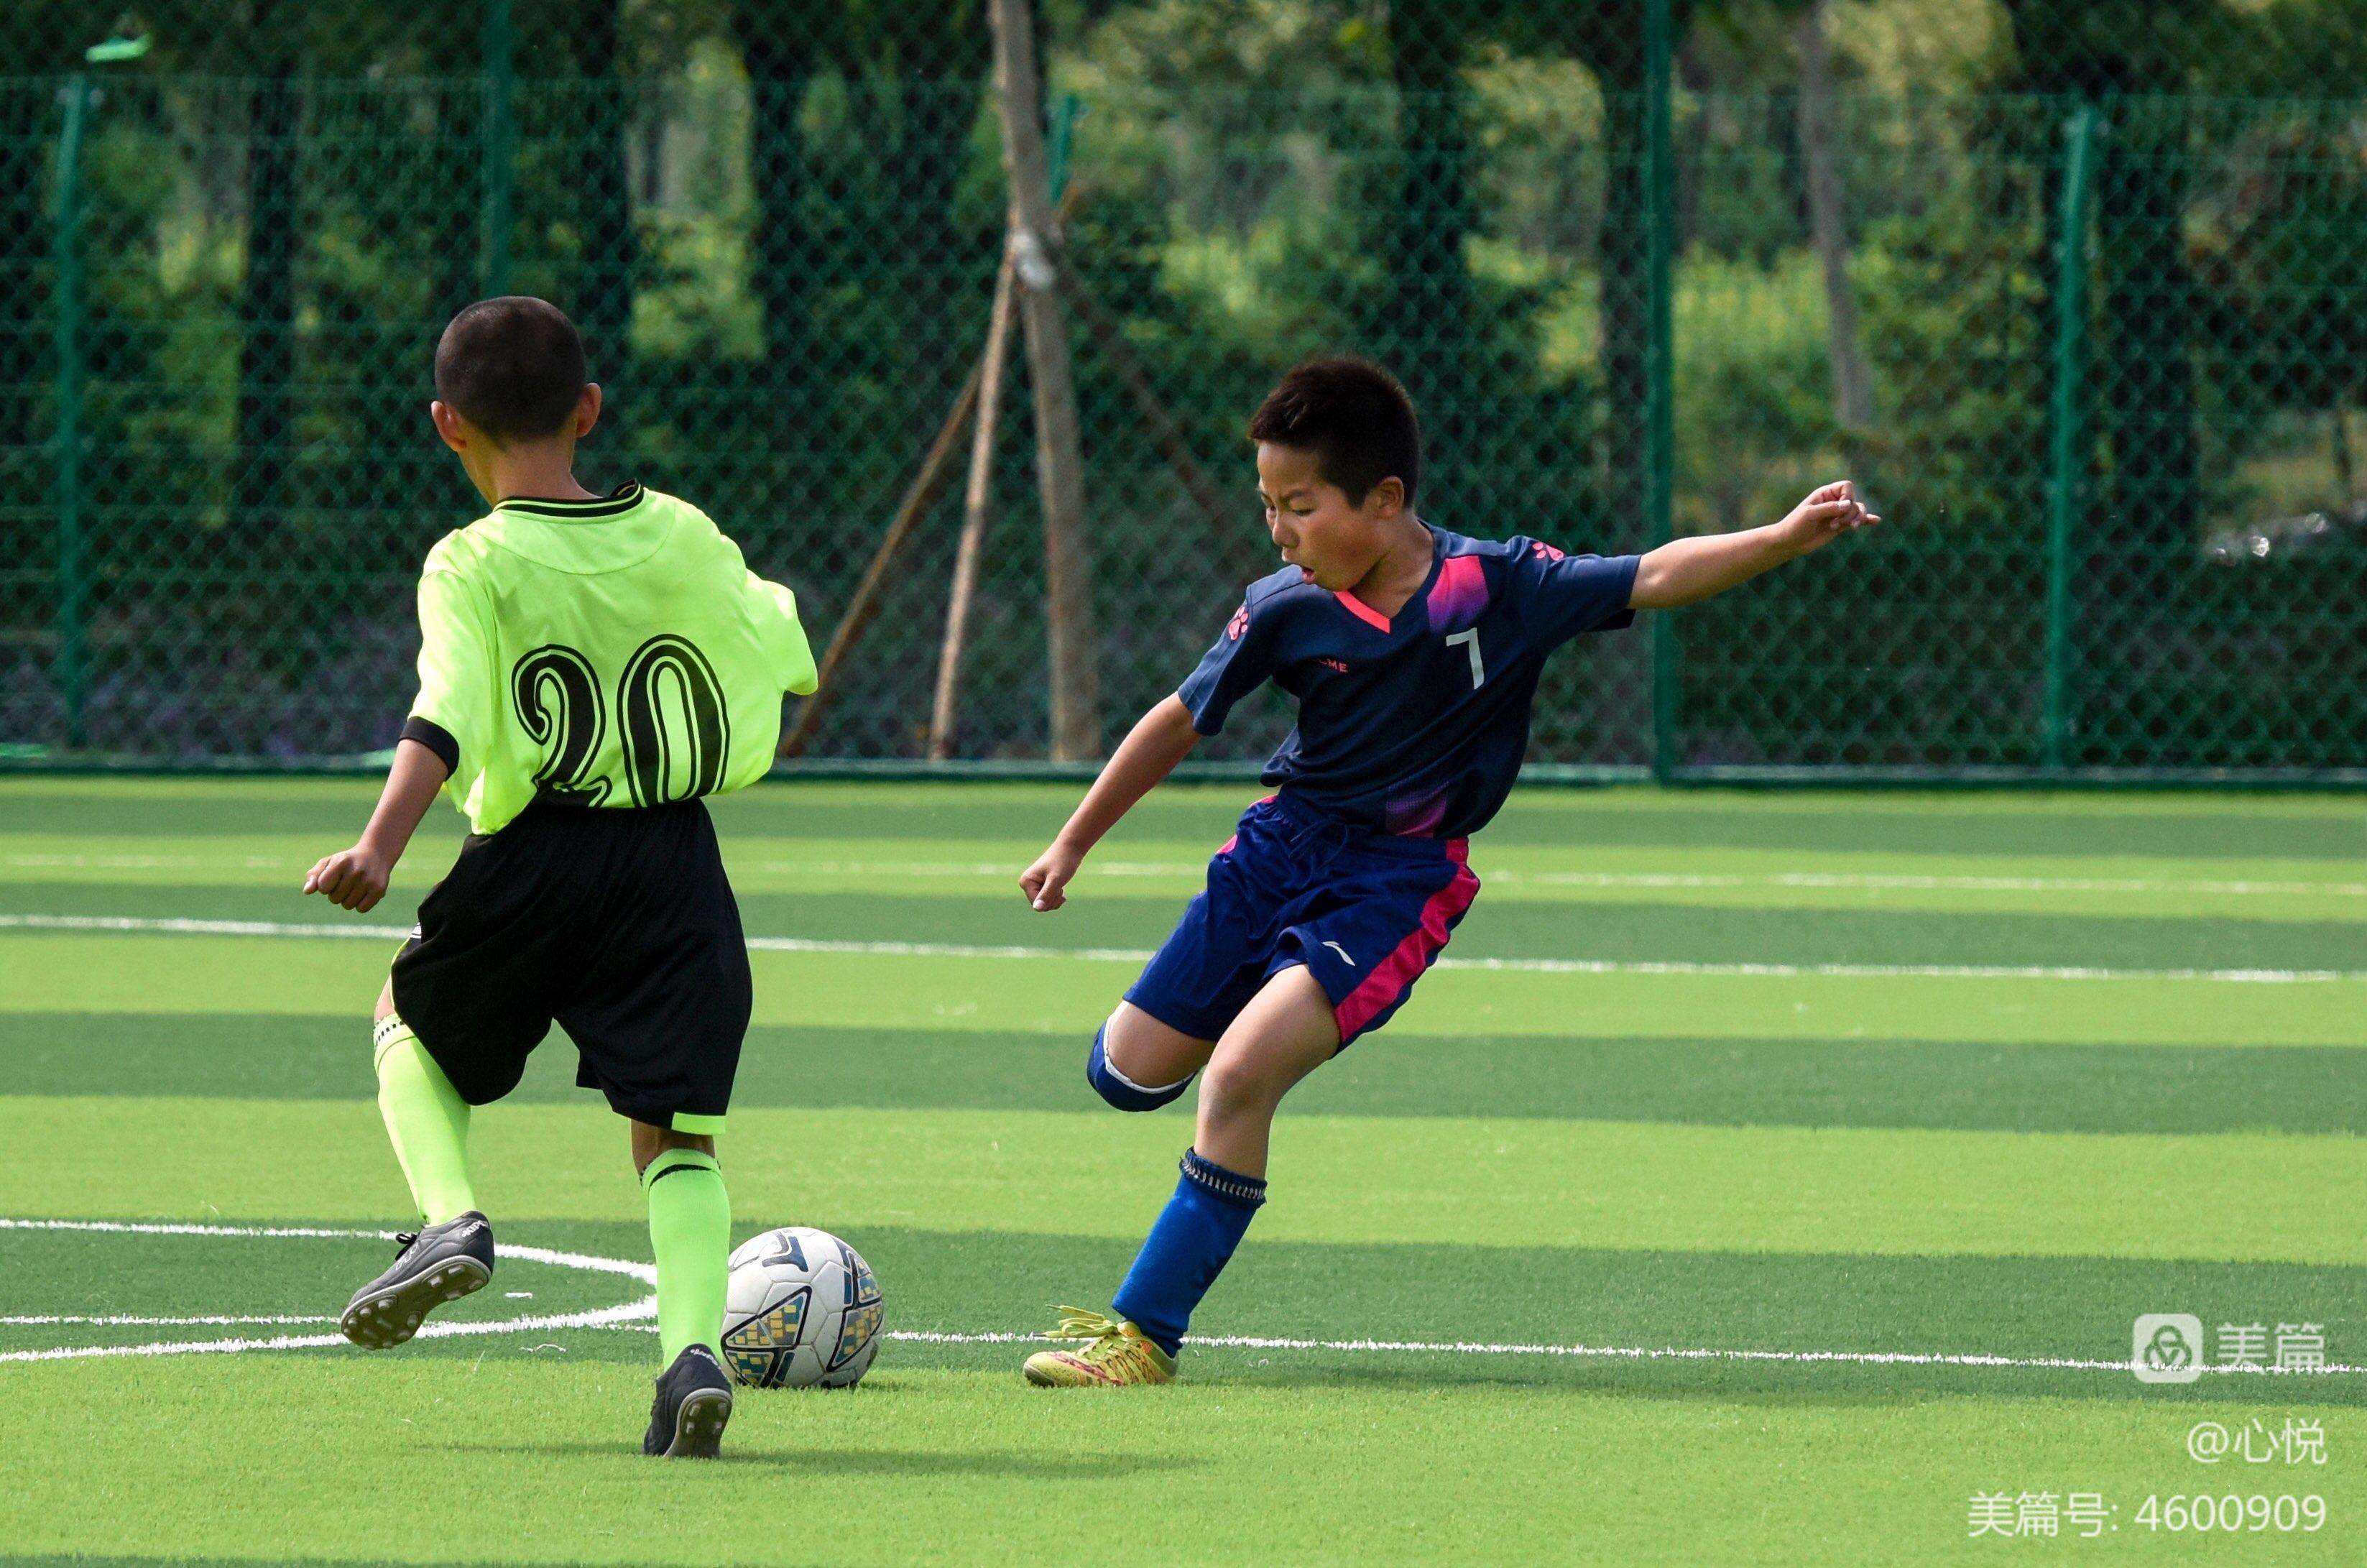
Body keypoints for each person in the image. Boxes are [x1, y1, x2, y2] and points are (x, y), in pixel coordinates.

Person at [1015, 355, 1876, 1385]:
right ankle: (1244, 1021)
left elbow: (1650, 572)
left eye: (1298, 506)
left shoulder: (1498, 585)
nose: (1278, 531)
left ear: (1384, 501)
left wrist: (1779, 538)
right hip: (1274, 852)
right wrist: (1075, 837)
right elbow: (1178, 718)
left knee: (1241, 1077)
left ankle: (1142, 1337)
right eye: (1266, 506)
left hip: (1395, 883)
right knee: (1126, 1073)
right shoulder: (1285, 605)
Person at [301, 296, 817, 1455]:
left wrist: (381, 843)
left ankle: (449, 1220)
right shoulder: (682, 532)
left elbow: (445, 712)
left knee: (406, 1015)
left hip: (533, 853)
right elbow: (781, 648)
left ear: (447, 426)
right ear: (588, 409)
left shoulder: (472, 560)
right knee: (674, 1135)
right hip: (675, 861)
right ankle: (691, 1350)